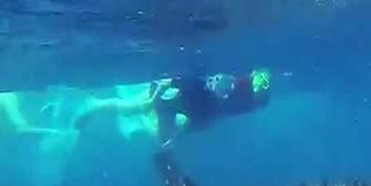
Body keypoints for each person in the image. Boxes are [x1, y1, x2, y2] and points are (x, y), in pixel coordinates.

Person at [72, 69, 272, 144]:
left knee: (160, 136)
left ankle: (95, 106)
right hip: (169, 97)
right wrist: (152, 101)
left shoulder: (222, 105)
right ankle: (92, 106)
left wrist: (179, 134)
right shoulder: (201, 86)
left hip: (185, 107)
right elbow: (167, 82)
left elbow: (202, 121)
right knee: (135, 107)